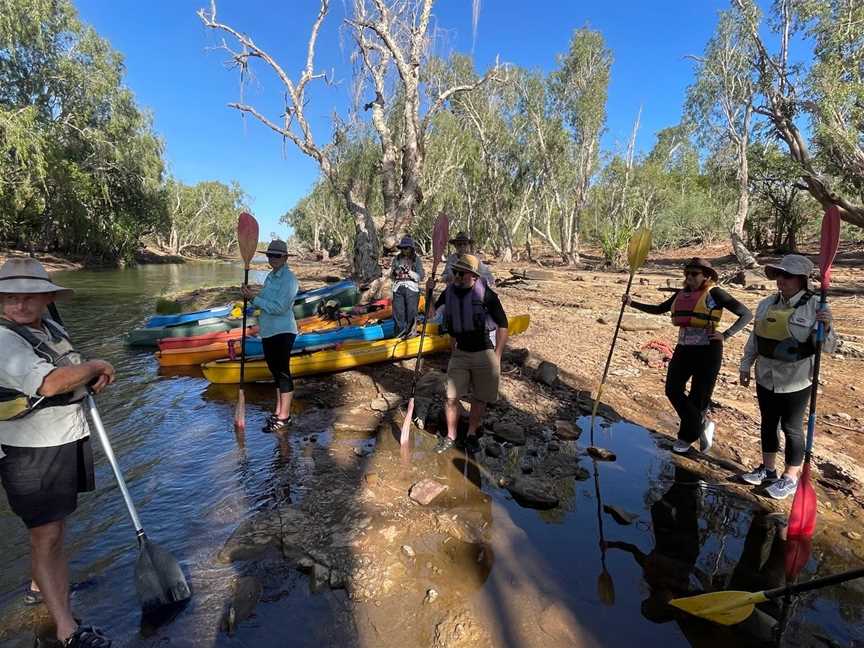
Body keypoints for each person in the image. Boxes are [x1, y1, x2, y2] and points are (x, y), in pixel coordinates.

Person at [0, 258, 115, 647]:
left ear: (47, 298)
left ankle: (39, 585)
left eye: (29, 298)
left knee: (54, 529)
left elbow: (70, 368)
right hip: (30, 451)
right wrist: (98, 363)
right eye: (8, 298)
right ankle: (67, 631)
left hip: (64, 437)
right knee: (46, 535)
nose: (18, 307)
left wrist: (90, 375)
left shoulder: (48, 326)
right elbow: (50, 383)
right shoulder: (2, 338)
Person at [623, 258, 752, 454]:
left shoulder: (714, 293)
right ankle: (703, 424)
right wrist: (632, 303)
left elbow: (746, 314)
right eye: (687, 274)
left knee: (698, 396)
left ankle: (685, 438)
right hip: (684, 349)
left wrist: (725, 335)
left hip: (709, 350)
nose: (690, 277)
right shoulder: (680, 294)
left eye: (695, 274)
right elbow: (658, 309)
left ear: (706, 277)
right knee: (672, 390)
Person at [739, 254, 835, 500]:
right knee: (768, 422)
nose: (781, 280)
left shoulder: (817, 306)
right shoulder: (767, 303)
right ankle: (768, 469)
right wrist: (745, 365)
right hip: (765, 375)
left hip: (797, 379)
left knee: (791, 427)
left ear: (802, 280)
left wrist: (828, 326)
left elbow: (828, 348)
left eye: (787, 275)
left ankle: (790, 477)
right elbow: (756, 337)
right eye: (779, 275)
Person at [433, 255, 509, 453]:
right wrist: (428, 291)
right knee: (451, 397)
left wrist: (498, 356)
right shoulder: (448, 292)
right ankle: (451, 435)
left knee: (479, 398)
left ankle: (472, 433)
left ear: (474, 277)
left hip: (484, 353)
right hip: (460, 353)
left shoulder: (487, 295)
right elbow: (431, 316)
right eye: (455, 272)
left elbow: (503, 325)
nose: (456, 276)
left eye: (461, 273)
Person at [241, 240, 299, 433]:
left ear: (284, 257)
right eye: (269, 255)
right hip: (268, 330)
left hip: (283, 331)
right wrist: (249, 301)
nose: (272, 259)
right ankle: (278, 410)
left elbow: (279, 307)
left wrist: (254, 299)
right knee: (275, 373)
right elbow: (265, 301)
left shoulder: (289, 280)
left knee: (283, 373)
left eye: (276, 255)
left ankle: (284, 417)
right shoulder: (271, 277)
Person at [389, 235, 424, 339]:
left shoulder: (416, 259)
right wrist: (395, 272)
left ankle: (411, 335)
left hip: (412, 289)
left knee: (411, 313)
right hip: (398, 288)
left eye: (406, 248)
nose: (404, 250)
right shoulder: (396, 259)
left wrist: (409, 272)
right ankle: (399, 335)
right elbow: (392, 275)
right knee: (398, 314)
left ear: (411, 248)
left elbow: (420, 276)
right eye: (402, 248)